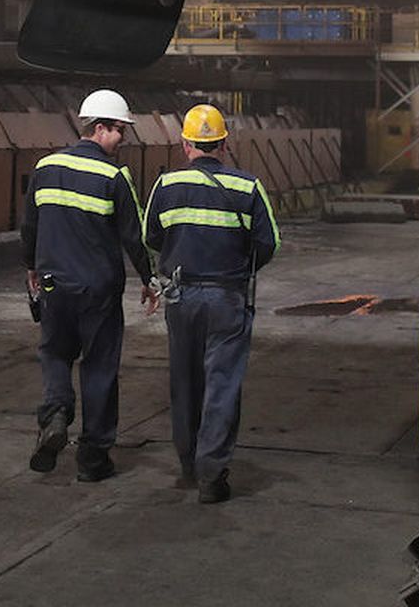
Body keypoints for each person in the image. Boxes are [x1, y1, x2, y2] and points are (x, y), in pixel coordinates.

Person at [143, 103, 280, 504]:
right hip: (227, 296)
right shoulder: (248, 187)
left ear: (185, 144)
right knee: (222, 384)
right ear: (224, 143)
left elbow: (152, 237)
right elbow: (268, 243)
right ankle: (211, 472)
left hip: (180, 296)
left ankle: (188, 462)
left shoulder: (165, 186)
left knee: (184, 381)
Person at [20, 88, 157, 482]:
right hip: (97, 291)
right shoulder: (115, 176)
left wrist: (30, 265)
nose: (123, 139)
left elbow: (30, 224)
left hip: (53, 284)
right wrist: (149, 280)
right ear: (99, 128)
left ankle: (56, 414)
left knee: (55, 354)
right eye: (120, 130)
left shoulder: (45, 167)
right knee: (99, 369)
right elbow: (135, 235)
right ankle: (93, 460)